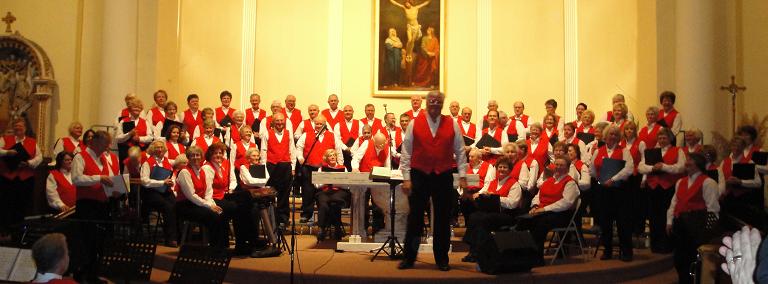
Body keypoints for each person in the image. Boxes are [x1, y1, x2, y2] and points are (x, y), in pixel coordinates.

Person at [398, 91, 467, 271]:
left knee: (443, 219)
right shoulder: (414, 123)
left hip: (443, 175)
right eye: (431, 101)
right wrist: (406, 178)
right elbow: (406, 152)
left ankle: (442, 259)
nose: (434, 104)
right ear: (426, 103)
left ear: (442, 104)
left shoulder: (452, 123)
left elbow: (460, 151)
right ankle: (409, 258)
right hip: (419, 174)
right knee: (415, 219)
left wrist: (463, 175)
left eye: (438, 101)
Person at [70, 130, 119, 281]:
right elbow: (76, 179)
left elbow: (110, 179)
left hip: (102, 205)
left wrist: (115, 191)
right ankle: (81, 274)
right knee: (87, 241)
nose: (107, 147)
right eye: (105, 144)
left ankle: (93, 274)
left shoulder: (104, 159)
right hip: (87, 205)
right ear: (96, 142)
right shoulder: (80, 156)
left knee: (100, 241)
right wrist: (99, 178)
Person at [666, 152, 720, 284]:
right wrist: (669, 221)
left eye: (690, 160)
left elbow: (713, 209)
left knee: (694, 260)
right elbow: (674, 203)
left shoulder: (708, 182)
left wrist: (707, 232)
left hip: (697, 226)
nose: (686, 162)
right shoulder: (680, 182)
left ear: (698, 164)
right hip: (680, 225)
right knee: (679, 259)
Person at [517, 156, 580, 265]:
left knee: (540, 224)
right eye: (557, 164)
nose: (558, 167)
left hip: (562, 215)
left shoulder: (570, 183)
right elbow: (538, 196)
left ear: (568, 168)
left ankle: (537, 258)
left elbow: (566, 203)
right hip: (544, 212)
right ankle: (523, 255)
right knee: (523, 222)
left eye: (562, 165)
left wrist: (544, 209)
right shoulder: (548, 181)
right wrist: (535, 207)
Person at [461, 156, 523, 263]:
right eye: (500, 167)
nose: (502, 169)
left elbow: (513, 203)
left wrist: (495, 197)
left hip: (507, 214)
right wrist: (479, 194)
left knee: (485, 219)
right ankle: (473, 250)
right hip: (492, 212)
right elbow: (483, 191)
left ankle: (478, 252)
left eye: (505, 167)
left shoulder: (515, 184)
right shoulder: (492, 182)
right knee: (474, 216)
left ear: (510, 170)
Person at [590, 125, 634, 261]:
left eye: (615, 134)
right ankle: (607, 251)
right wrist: (599, 179)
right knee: (605, 222)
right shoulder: (598, 151)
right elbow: (592, 168)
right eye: (611, 134)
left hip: (620, 192)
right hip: (603, 191)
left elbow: (629, 168)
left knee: (623, 222)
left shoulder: (624, 151)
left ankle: (626, 252)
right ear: (605, 136)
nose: (613, 137)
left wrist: (613, 179)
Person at [639, 127, 686, 253]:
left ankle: (667, 245)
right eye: (659, 138)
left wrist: (664, 167)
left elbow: (681, 168)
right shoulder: (651, 151)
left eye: (664, 137)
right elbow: (641, 167)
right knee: (654, 216)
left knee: (667, 215)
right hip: (653, 186)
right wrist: (652, 169)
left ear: (670, 138)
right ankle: (655, 245)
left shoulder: (678, 150)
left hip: (668, 186)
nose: (661, 140)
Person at [175, 146, 228, 248]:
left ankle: (222, 246)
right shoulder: (184, 172)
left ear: (201, 157)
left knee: (221, 212)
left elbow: (208, 192)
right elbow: (191, 195)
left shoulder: (202, 171)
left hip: (198, 203)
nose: (195, 157)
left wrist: (212, 204)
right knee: (213, 216)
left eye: (197, 155)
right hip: (185, 205)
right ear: (188, 157)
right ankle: (215, 249)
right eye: (192, 155)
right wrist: (209, 206)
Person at [0, 118, 43, 237]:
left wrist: (29, 163)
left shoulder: (32, 141)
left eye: (21, 126)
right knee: (6, 205)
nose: (18, 128)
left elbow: (39, 157)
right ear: (13, 128)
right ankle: (5, 231)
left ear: (25, 128)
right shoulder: (5, 139)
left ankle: (19, 232)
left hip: (26, 178)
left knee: (22, 205)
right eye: (16, 126)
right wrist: (7, 153)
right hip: (7, 178)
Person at [296, 116, 343, 223]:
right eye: (316, 124)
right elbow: (299, 147)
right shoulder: (306, 135)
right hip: (310, 167)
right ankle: (307, 214)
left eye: (320, 124)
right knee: (308, 192)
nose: (318, 126)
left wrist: (340, 164)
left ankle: (326, 217)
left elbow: (338, 150)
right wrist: (300, 158)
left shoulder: (332, 136)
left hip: (326, 169)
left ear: (325, 125)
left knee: (325, 193)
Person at [718, 136, 763, 230]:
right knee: (728, 226)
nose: (735, 148)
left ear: (743, 147)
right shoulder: (724, 162)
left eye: (738, 146)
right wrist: (725, 182)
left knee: (743, 226)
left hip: (744, 200)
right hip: (728, 199)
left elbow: (758, 182)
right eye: (734, 145)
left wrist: (741, 182)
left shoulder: (749, 162)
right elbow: (720, 180)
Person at [259, 113, 296, 225]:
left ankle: (283, 220)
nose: (280, 123)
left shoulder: (289, 134)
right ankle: (270, 220)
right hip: (272, 166)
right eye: (277, 121)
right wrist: (264, 168)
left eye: (281, 121)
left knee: (284, 195)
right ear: (273, 122)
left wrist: (293, 167)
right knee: (270, 194)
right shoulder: (267, 133)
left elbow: (292, 150)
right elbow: (263, 151)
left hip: (285, 167)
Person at [140, 141, 178, 247]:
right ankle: (170, 238)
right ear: (152, 149)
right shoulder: (147, 162)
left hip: (165, 191)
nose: (160, 149)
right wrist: (161, 182)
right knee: (168, 207)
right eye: (157, 147)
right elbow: (144, 181)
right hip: (151, 192)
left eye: (161, 147)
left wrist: (171, 183)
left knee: (176, 205)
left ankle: (177, 236)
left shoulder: (168, 162)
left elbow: (172, 177)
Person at [314, 149, 351, 241]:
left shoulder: (343, 168)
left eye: (334, 155)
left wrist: (336, 183)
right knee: (323, 205)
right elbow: (317, 184)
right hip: (325, 191)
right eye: (330, 155)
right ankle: (321, 229)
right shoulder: (321, 169)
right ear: (326, 158)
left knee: (335, 201)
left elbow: (347, 185)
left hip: (339, 192)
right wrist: (326, 181)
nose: (333, 157)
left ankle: (337, 229)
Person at [620, 121, 647, 236]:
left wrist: (644, 178)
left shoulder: (640, 143)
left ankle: (638, 229)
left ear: (635, 130)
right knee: (625, 204)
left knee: (637, 204)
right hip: (624, 177)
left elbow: (644, 160)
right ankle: (627, 228)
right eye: (627, 129)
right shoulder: (621, 143)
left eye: (631, 129)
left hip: (636, 177)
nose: (629, 131)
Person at [115, 98, 153, 163]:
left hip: (141, 150)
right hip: (126, 151)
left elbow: (150, 137)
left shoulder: (145, 122)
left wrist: (139, 139)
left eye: (139, 107)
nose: (137, 109)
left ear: (141, 110)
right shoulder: (123, 121)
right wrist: (129, 134)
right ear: (130, 109)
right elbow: (118, 138)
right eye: (135, 107)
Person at [334, 105, 362, 171]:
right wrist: (346, 148)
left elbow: (361, 137)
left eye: (349, 111)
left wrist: (353, 148)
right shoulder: (338, 125)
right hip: (343, 153)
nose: (348, 112)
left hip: (356, 153)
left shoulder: (360, 123)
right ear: (343, 112)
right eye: (346, 111)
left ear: (353, 112)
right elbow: (337, 139)